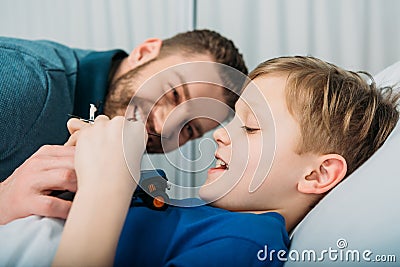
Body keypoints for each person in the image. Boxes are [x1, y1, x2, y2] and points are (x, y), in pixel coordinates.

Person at [52, 56, 399, 266]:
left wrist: (105, 188)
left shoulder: (244, 245)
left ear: (318, 174)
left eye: (249, 127)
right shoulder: (188, 203)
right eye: (231, 118)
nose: (218, 133)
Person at [0, 29, 248, 225]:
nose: (163, 128)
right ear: (144, 52)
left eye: (188, 129)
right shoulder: (26, 83)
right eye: (173, 94)